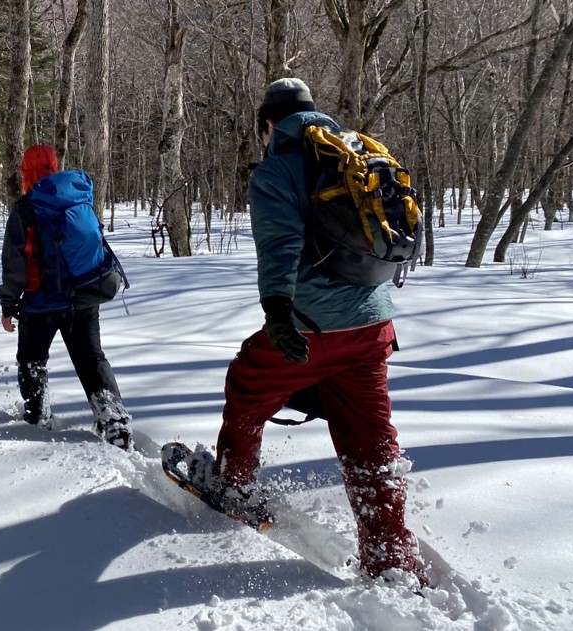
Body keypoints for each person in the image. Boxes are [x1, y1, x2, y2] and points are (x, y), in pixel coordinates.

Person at [202, 78, 418, 580]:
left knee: (247, 385)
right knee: (371, 439)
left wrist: (277, 311)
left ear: (269, 125)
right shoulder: (357, 154)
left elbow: (278, 245)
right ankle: (390, 557)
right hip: (374, 324)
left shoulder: (278, 169)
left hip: (312, 326)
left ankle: (235, 484)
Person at [0, 145, 132, 451]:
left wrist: (8, 303)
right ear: (55, 166)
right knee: (92, 359)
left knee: (32, 360)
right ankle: (115, 423)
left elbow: (15, 263)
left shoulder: (26, 208)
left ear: (26, 171)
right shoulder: (78, 194)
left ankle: (36, 416)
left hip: (40, 303)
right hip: (84, 297)